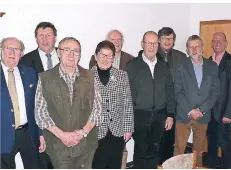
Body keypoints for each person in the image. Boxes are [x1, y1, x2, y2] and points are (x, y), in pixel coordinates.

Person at [35, 37, 103, 169]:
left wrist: (83, 132)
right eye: (66, 50)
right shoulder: (45, 78)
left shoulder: (90, 76)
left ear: (80, 55)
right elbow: (40, 113)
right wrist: (62, 135)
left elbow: (98, 109)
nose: (71, 55)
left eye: (76, 51)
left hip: (86, 144)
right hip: (59, 146)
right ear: (58, 53)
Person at [125, 31, 175, 169]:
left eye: (155, 43)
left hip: (160, 115)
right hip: (140, 115)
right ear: (142, 44)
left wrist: (170, 114)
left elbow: (170, 92)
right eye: (149, 43)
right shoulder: (132, 66)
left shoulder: (164, 67)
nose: (152, 46)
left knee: (155, 149)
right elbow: (126, 94)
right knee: (141, 151)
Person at [174, 35, 220, 167]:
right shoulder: (181, 66)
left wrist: (202, 110)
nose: (194, 49)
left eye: (197, 46)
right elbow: (178, 91)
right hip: (184, 114)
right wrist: (190, 110)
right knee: (179, 149)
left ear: (203, 48)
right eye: (191, 47)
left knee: (198, 151)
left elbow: (215, 91)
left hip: (203, 116)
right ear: (187, 49)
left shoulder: (212, 66)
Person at [0, 37, 45, 168]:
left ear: (22, 54)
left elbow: (38, 106)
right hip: (3, 135)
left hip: (28, 133)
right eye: (9, 48)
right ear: (1, 51)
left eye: (17, 49)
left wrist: (40, 134)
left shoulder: (30, 73)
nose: (12, 53)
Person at [19, 21, 59, 168]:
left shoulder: (65, 57)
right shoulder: (25, 61)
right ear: (36, 39)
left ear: (55, 37)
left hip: (65, 124)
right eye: (40, 35)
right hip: (37, 125)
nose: (44, 39)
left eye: (48, 35)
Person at [91, 40, 134, 169]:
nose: (105, 59)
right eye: (102, 55)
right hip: (95, 130)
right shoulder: (86, 76)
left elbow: (127, 103)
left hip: (117, 130)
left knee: (115, 164)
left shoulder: (122, 76)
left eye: (109, 56)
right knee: (97, 164)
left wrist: (128, 128)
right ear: (96, 56)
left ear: (113, 58)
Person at [157, 27, 187, 163]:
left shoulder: (181, 57)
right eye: (165, 38)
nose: (168, 41)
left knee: (170, 142)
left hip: (174, 108)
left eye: (170, 38)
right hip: (155, 107)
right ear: (159, 40)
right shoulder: (151, 55)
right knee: (156, 143)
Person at [207, 32, 231, 169]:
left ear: (226, 43)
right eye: (214, 41)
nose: (217, 43)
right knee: (211, 143)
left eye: (220, 41)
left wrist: (229, 113)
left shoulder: (230, 61)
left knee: (225, 144)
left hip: (224, 112)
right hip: (209, 113)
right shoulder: (208, 60)